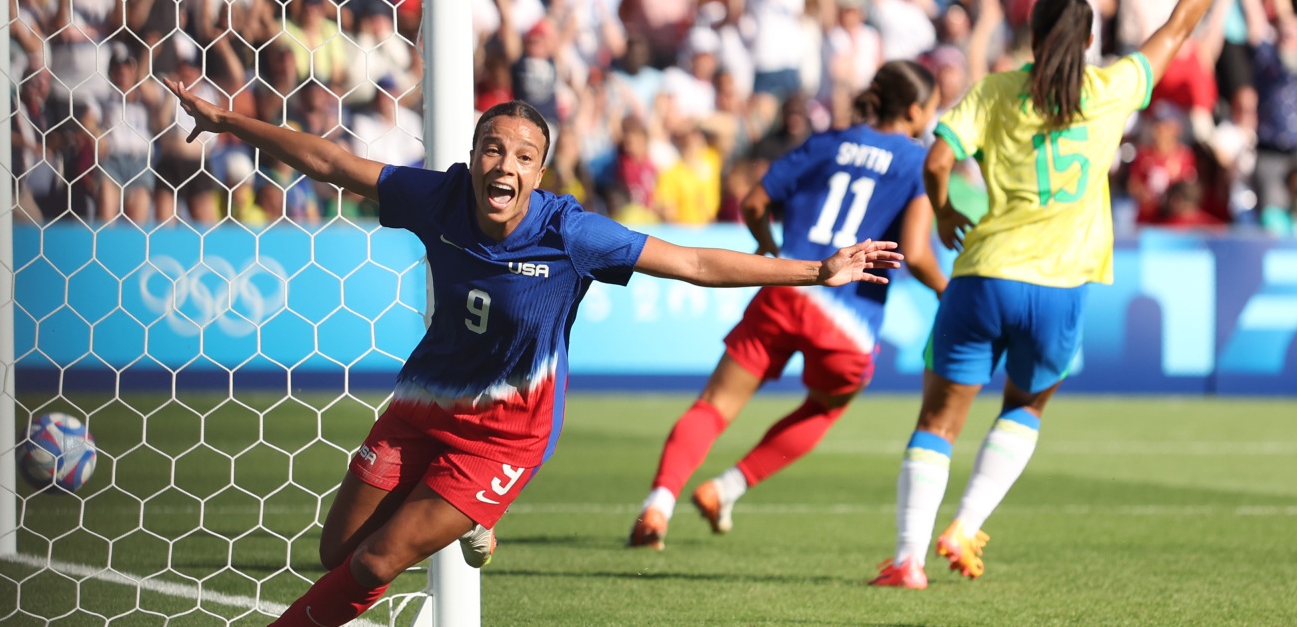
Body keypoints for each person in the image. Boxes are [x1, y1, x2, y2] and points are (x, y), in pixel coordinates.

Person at [164, 86, 905, 627]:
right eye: (494, 148)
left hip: (503, 440)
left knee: (377, 563)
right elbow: (331, 163)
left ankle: (470, 514)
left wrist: (817, 269)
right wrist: (226, 122)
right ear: (474, 155)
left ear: (540, 174)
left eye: (523, 156)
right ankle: (472, 523)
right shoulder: (441, 199)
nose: (505, 164)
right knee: (338, 554)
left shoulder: (571, 234)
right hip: (421, 408)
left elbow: (696, 265)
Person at [870, 0, 1260, 590]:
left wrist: (945, 208)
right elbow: (1178, 25)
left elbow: (937, 157)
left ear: (1029, 31)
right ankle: (967, 524)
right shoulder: (1110, 90)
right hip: (1060, 285)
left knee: (939, 418)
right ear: (1088, 41)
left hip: (984, 272)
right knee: (1024, 408)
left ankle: (907, 560)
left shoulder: (993, 91)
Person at [628, 60, 950, 550]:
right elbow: (918, 251)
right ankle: (726, 488)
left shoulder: (827, 142)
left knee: (714, 405)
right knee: (824, 408)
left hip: (789, 287)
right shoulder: (915, 162)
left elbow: (754, 203)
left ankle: (658, 505)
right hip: (851, 318)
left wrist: (768, 249)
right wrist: (949, 292)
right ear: (914, 109)